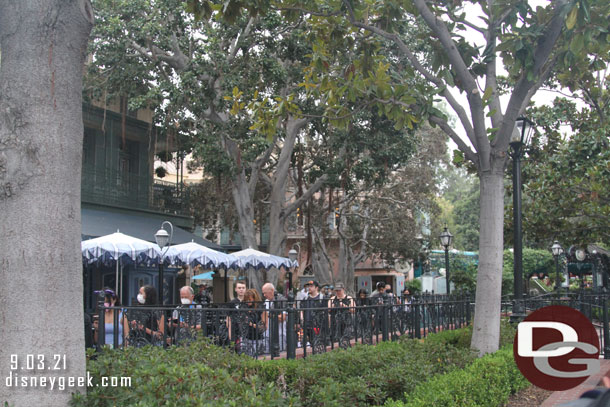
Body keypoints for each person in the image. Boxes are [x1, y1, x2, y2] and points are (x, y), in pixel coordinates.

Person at [301, 280, 328, 352]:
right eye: (308, 286)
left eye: (311, 286)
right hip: (307, 325)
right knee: (306, 345)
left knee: (317, 344)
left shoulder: (322, 298)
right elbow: (301, 310)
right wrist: (302, 319)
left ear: (316, 288)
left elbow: (326, 312)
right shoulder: (305, 299)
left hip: (318, 325)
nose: (309, 288)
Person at [261, 282, 287, 354]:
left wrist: (269, 314)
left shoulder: (281, 300)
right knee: (266, 353)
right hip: (267, 332)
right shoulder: (266, 301)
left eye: (265, 293)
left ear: (272, 290)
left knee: (279, 353)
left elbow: (283, 318)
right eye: (263, 293)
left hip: (279, 332)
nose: (264, 295)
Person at [241, 289, 267, 357]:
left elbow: (263, 327)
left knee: (254, 357)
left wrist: (251, 324)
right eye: (246, 300)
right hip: (246, 337)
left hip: (256, 338)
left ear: (254, 298)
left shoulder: (260, 308)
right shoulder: (244, 307)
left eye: (249, 299)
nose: (248, 302)